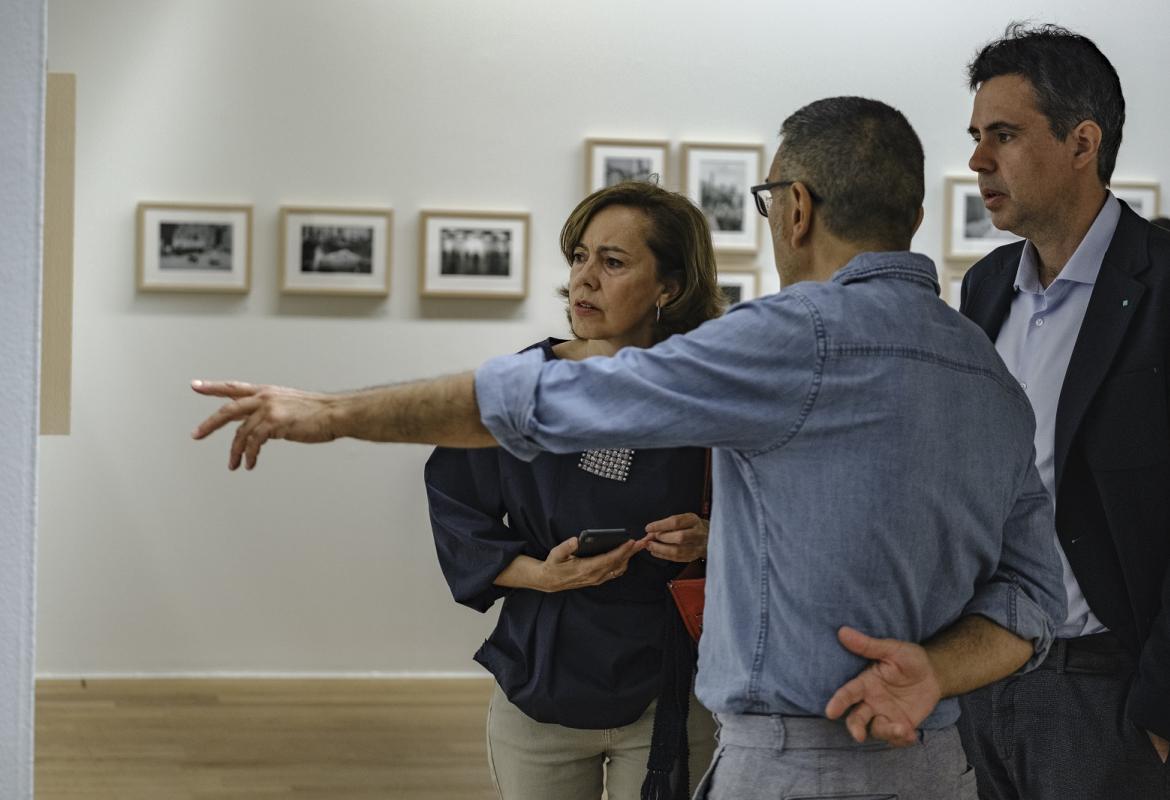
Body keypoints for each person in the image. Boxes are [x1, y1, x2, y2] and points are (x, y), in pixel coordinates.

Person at [190, 97, 1066, 800]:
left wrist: (334, 410)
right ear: (912, 213)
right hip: (936, 761)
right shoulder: (986, 373)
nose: (584, 278)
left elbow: (557, 400)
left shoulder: (793, 338)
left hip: (792, 763)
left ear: (796, 208)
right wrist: (934, 672)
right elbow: (1034, 592)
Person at [424, 181, 723, 800]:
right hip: (543, 676)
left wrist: (713, 538)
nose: (585, 278)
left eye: (613, 262)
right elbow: (454, 503)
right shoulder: (520, 388)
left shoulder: (708, 393)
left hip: (673, 682)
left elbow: (778, 514)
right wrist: (540, 575)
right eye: (580, 257)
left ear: (670, 286)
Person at [956, 23, 1170, 799]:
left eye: (1004, 135)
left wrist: (1159, 710)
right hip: (982, 682)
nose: (979, 160)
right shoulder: (983, 290)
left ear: (1084, 143)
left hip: (1110, 696)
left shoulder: (1162, 288)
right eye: (978, 136)